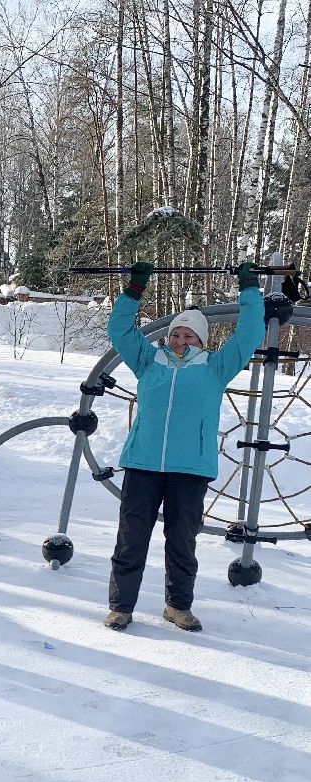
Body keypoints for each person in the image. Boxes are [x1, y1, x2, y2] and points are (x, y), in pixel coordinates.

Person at [104, 259, 264, 632]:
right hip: (143, 464)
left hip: (190, 469)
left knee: (181, 542)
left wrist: (250, 288)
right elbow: (120, 330)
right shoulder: (148, 361)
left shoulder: (216, 367)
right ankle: (121, 606)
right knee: (131, 540)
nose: (181, 340)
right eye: (177, 334)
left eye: (189, 335)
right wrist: (134, 290)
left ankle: (178, 606)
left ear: (202, 340)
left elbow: (250, 332)